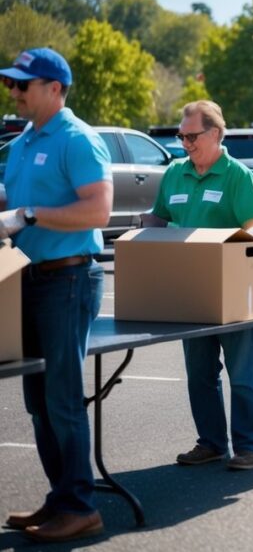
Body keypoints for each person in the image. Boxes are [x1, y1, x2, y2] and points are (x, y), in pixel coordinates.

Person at [0, 49, 112, 543]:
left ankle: (81, 505)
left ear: (55, 88)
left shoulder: (77, 139)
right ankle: (60, 497)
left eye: (23, 84)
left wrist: (27, 215)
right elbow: (12, 199)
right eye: (11, 84)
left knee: (62, 398)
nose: (14, 92)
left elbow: (98, 211)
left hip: (67, 279)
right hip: (27, 277)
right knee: (38, 400)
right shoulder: (23, 140)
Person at [149, 100, 253, 471]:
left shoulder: (237, 175)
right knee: (200, 373)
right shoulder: (174, 174)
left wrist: (232, 247)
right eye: (181, 136)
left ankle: (250, 447)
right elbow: (158, 219)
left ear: (216, 133)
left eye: (192, 136)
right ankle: (212, 442)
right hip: (192, 289)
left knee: (243, 372)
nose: (185, 142)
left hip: (233, 288)